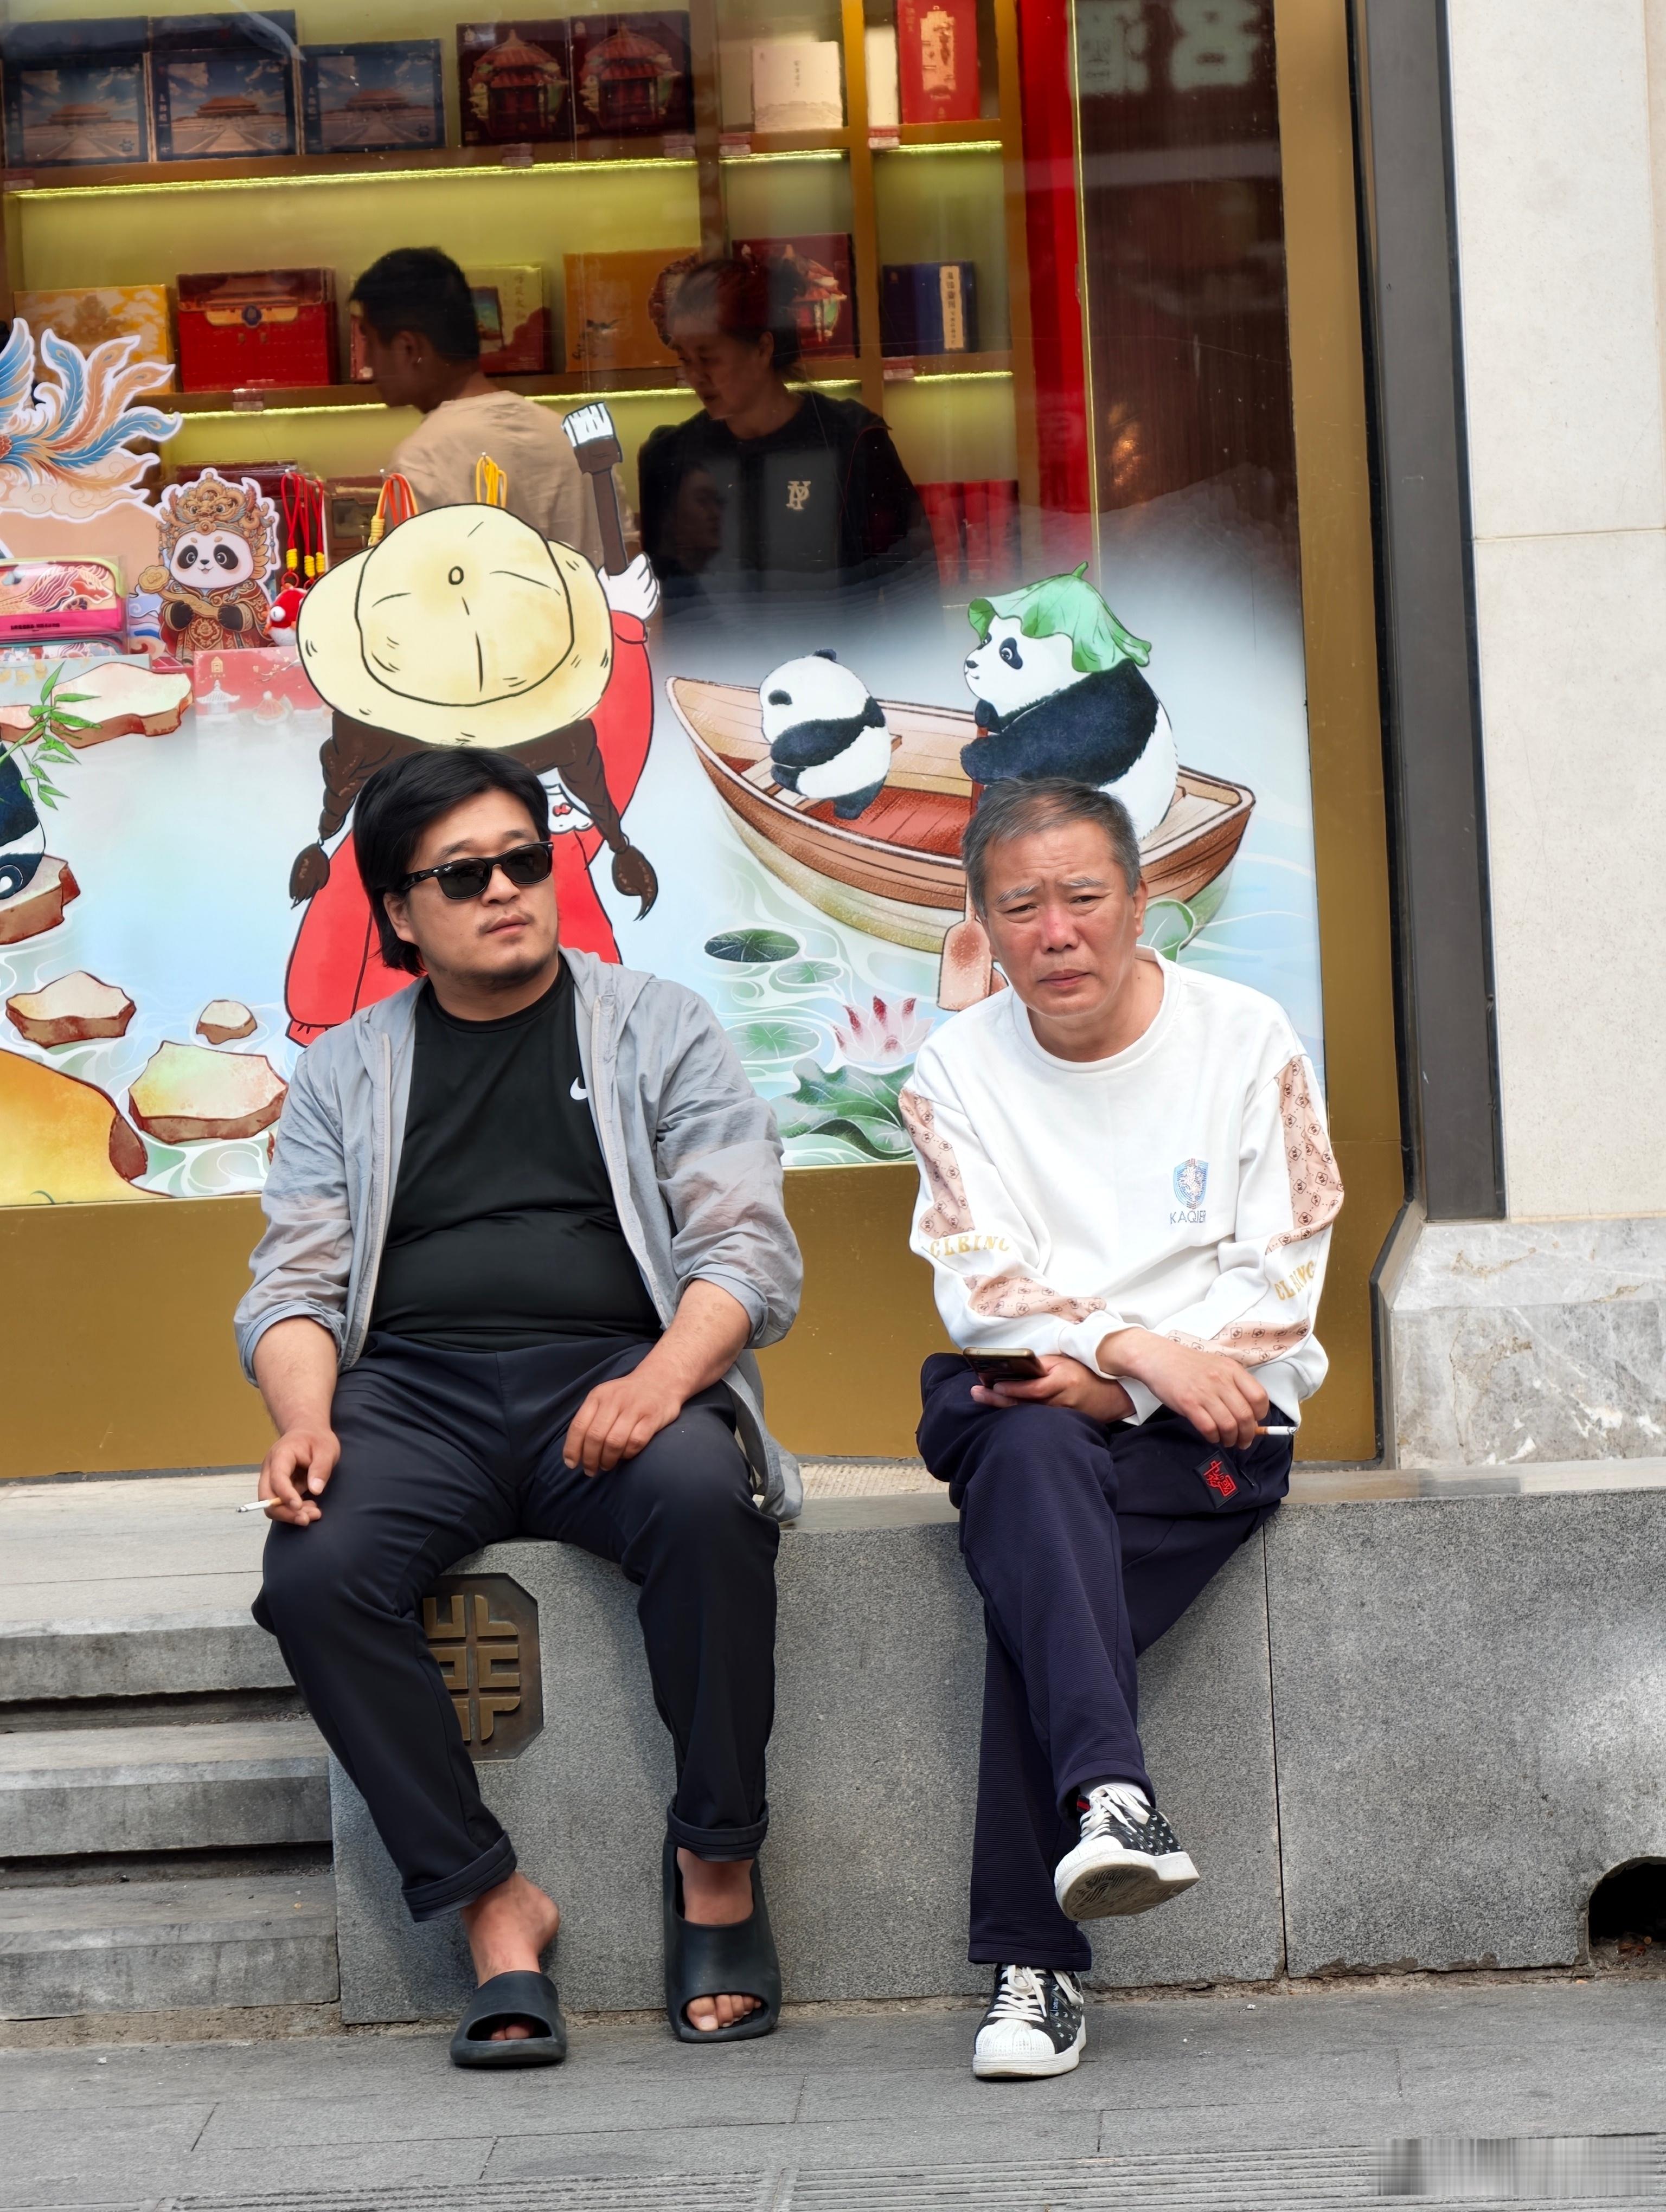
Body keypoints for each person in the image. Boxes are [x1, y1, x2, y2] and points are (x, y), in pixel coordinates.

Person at [236, 747, 802, 2065]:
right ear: (397, 911)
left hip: (612, 1371)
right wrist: (305, 1418)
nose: (504, 889)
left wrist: (658, 1381)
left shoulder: (657, 1024)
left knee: (704, 1504)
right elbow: (295, 1282)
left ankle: (717, 1861)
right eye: (462, 874)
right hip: (414, 1397)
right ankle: (493, 1903)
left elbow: (746, 1251)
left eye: (523, 858)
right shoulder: (346, 1071)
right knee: (314, 1572)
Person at [901, 776, 1342, 2082]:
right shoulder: (953, 1069)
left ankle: (1038, 1954)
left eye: (1083, 897)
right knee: (1028, 1447)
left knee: (1040, 1585)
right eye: (1020, 907)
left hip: (1212, 1415)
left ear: (1142, 902)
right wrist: (1131, 1351)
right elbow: (981, 1280)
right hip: (1035, 1394)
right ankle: (1110, 1801)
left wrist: (1131, 1389)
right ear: (982, 923)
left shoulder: (1245, 1038)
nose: (1056, 933)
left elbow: (1284, 1269)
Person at [637, 255, 935, 628]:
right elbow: (666, 608)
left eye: (708, 358)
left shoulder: (851, 441)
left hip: (839, 662)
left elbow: (914, 596)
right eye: (685, 359)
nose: (696, 376)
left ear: (764, 348)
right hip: (713, 665)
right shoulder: (670, 457)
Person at [351, 247, 602, 563]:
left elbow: (411, 590)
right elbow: (627, 564)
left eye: (369, 341)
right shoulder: (573, 439)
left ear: (408, 348)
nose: (368, 361)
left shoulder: (421, 463)